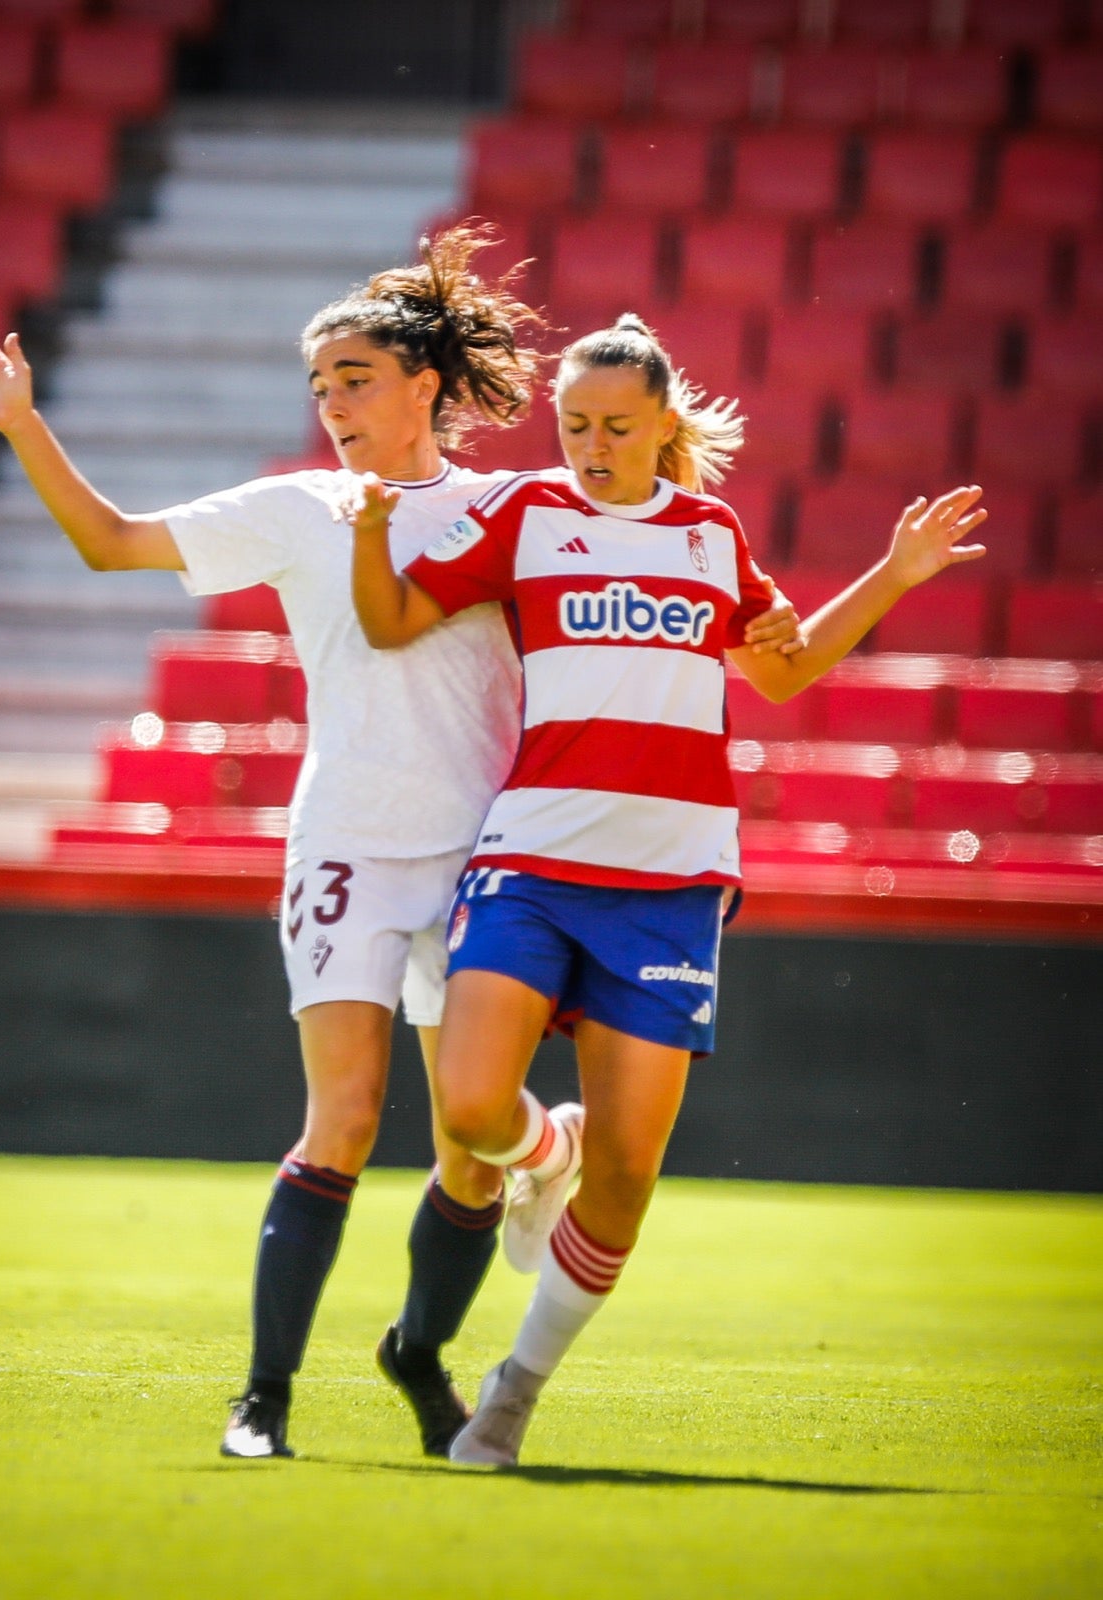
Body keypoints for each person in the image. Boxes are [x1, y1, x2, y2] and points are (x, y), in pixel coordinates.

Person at [0, 247, 798, 1463]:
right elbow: (112, 542)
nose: (332, 405)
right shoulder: (297, 508)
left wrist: (768, 618)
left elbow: (665, 589)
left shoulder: (523, 508)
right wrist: (19, 423)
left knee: (468, 1149)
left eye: (355, 380)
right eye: (320, 385)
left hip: (486, 854)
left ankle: (420, 1353)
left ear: (425, 387)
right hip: (346, 841)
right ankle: (263, 1399)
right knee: (340, 1118)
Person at [348, 312, 988, 1467]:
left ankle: (512, 1394)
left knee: (629, 1180)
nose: (592, 446)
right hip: (533, 860)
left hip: (670, 885)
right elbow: (390, 621)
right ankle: (547, 1154)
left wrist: (894, 573)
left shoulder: (709, 533)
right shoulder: (528, 514)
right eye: (574, 424)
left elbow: (784, 671)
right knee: (472, 1111)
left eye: (616, 427)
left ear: (662, 425)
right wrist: (370, 528)